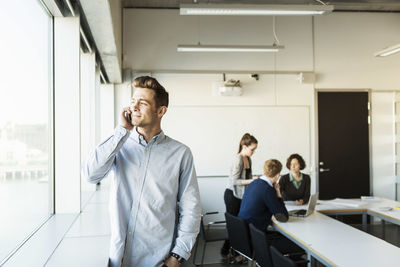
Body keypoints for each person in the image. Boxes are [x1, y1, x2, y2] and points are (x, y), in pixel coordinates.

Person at [82, 76, 201, 267]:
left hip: (158, 260)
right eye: (132, 101)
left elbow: (191, 207)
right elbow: (91, 174)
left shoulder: (180, 153)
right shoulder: (119, 144)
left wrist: (178, 255)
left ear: (161, 111)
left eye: (143, 103)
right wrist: (121, 130)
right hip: (117, 259)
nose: (134, 107)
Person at [238, 159, 303, 254]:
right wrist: (279, 194)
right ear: (278, 175)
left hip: (245, 233)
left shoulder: (254, 183)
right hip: (256, 238)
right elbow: (283, 217)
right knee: (298, 246)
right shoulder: (268, 190)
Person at [221, 133, 258, 259]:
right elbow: (234, 181)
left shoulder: (248, 159)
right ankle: (231, 252)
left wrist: (253, 180)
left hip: (240, 196)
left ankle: (230, 251)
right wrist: (252, 181)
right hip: (232, 196)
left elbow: (245, 180)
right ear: (244, 146)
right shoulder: (238, 159)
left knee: (240, 224)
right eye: (252, 149)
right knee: (235, 225)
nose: (253, 152)